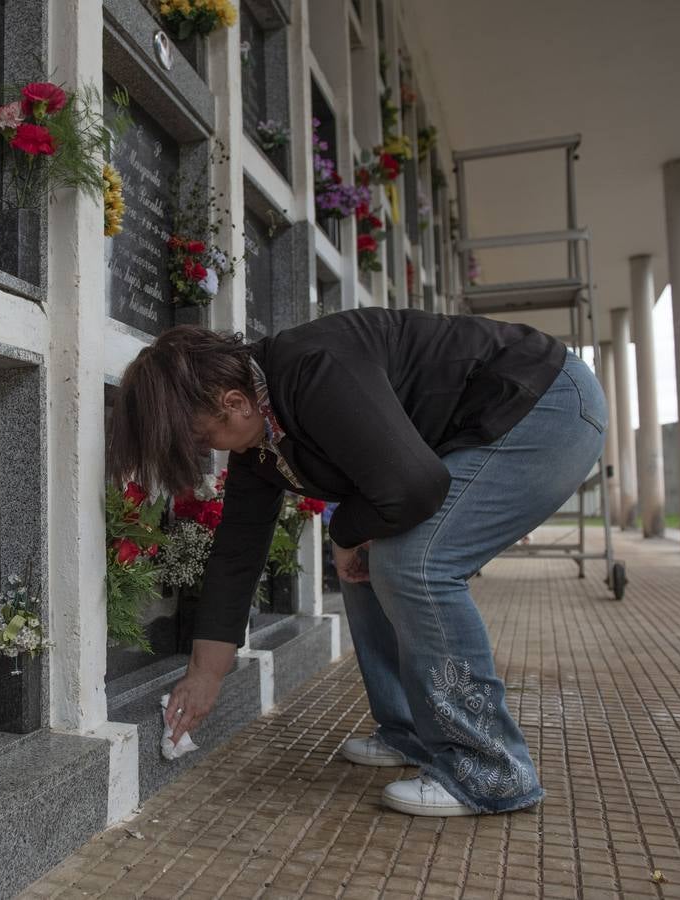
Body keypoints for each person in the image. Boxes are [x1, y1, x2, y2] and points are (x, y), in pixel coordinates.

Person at [109, 308, 606, 816]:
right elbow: (236, 556)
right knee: (365, 560)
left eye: (199, 438)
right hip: (489, 425)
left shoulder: (314, 369)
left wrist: (346, 532)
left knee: (413, 561)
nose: (205, 452)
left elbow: (415, 487)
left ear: (233, 403)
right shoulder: (259, 440)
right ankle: (409, 731)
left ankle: (490, 769)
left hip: (545, 406)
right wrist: (203, 676)